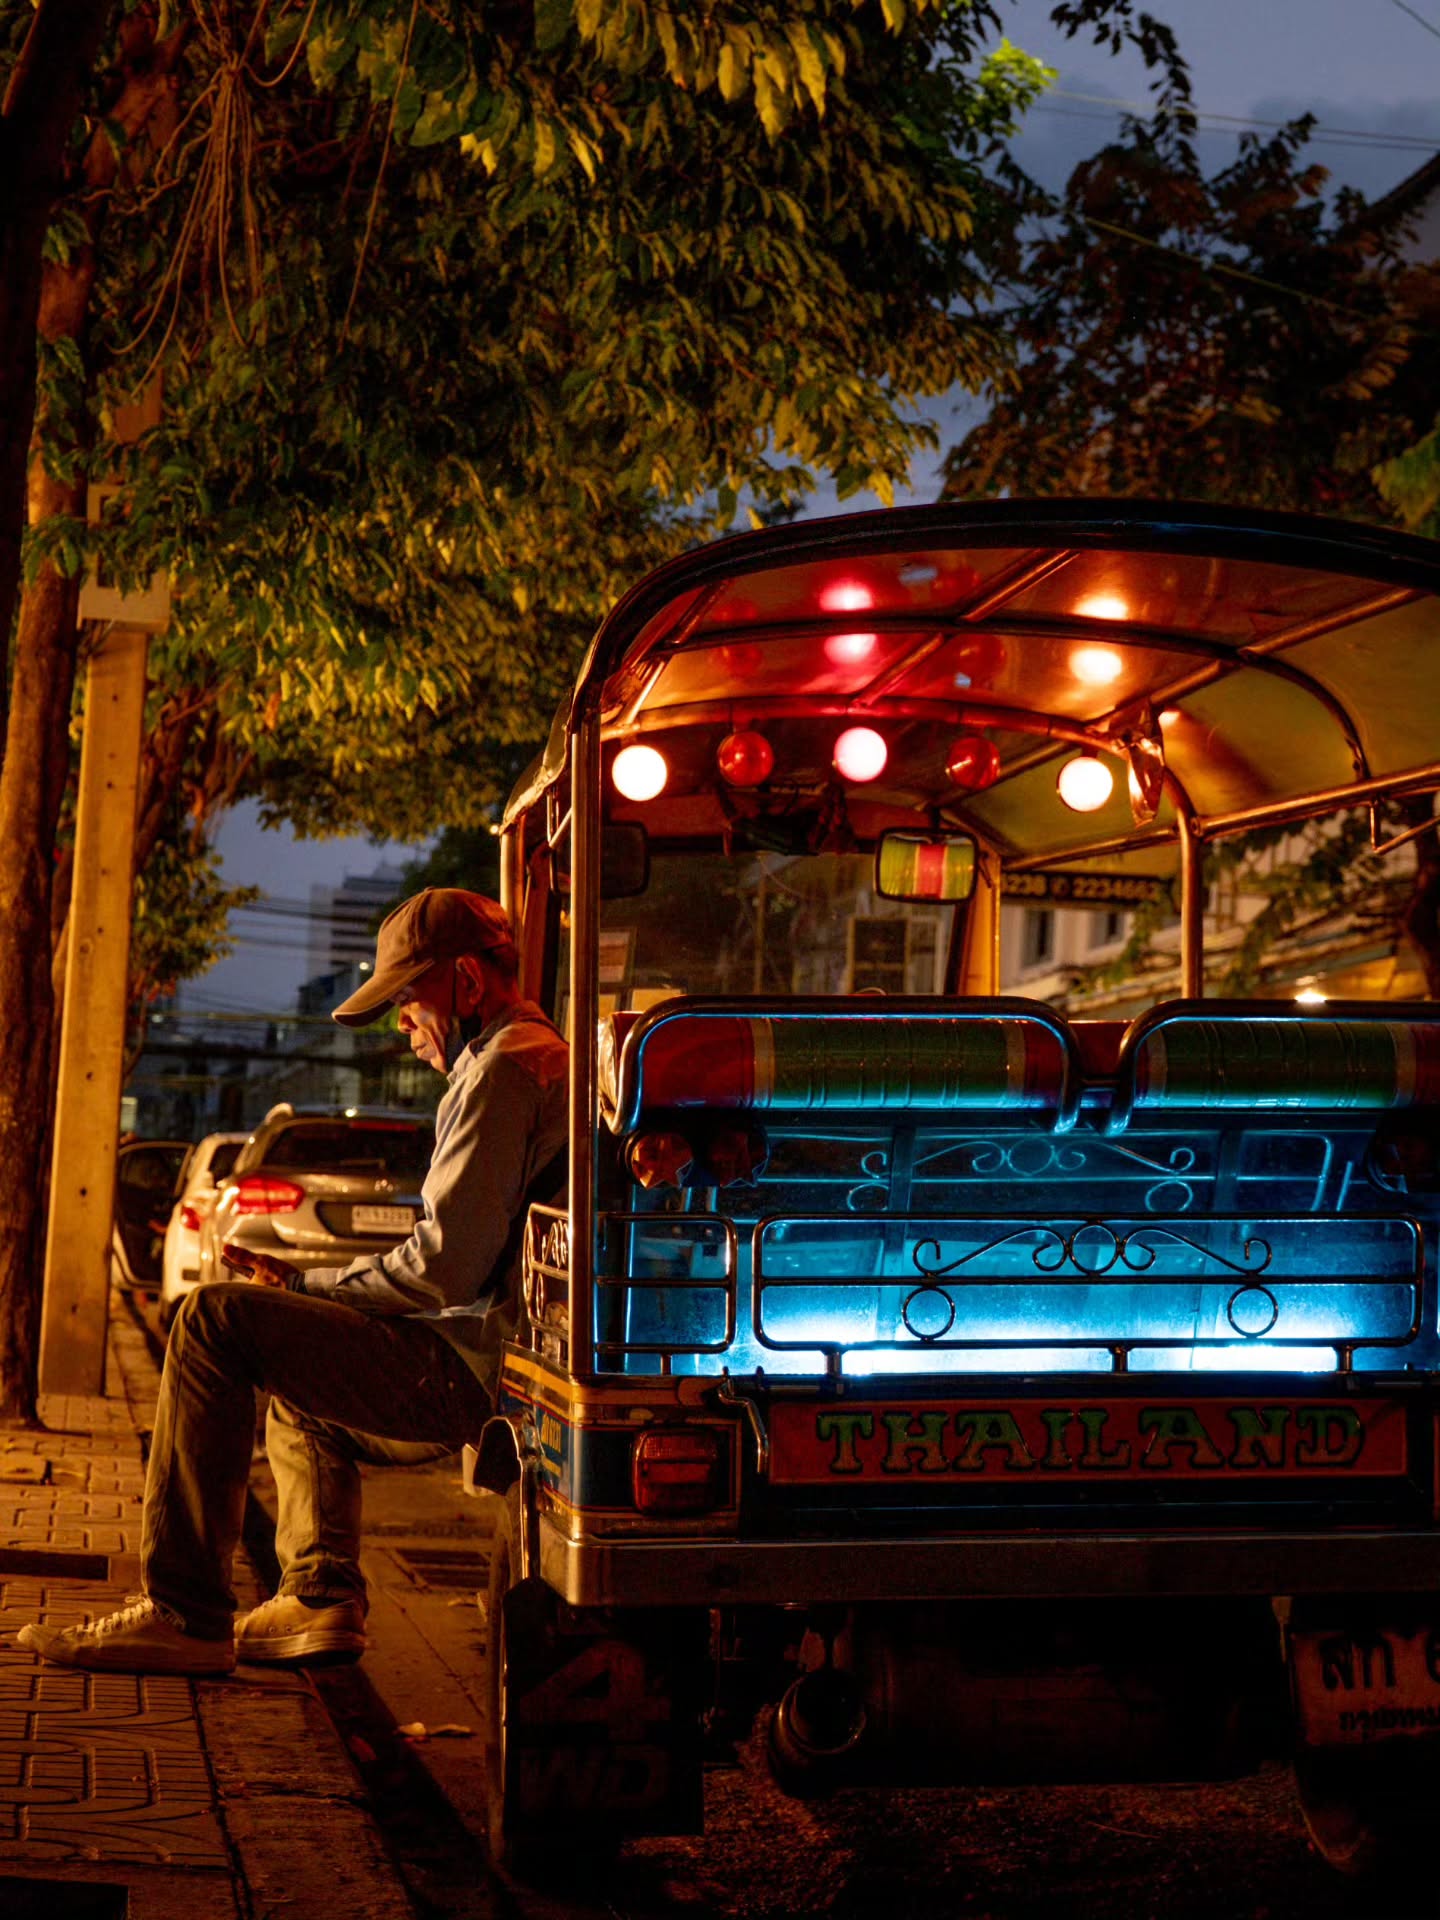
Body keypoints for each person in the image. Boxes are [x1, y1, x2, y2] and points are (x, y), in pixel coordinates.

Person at [19, 888, 568, 1674]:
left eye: (408, 1001)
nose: (402, 1026)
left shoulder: (505, 1070)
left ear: (468, 984)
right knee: (293, 1376)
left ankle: (187, 1614)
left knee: (214, 1321)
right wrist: (308, 1290)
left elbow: (444, 1265)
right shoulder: (525, 1060)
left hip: (474, 1370)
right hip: (486, 1360)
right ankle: (319, 1597)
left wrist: (311, 1290)